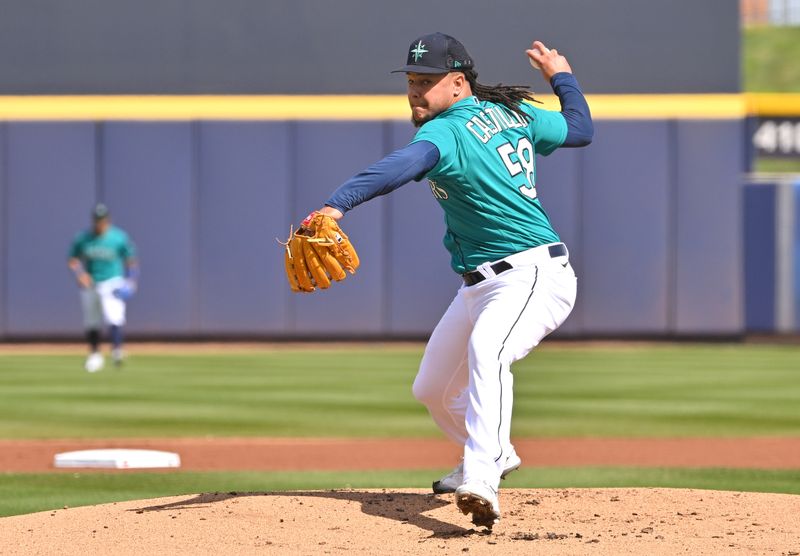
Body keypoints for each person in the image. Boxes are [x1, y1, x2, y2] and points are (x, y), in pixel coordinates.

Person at [297, 32, 593, 528]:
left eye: (427, 82)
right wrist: (561, 77)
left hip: (533, 273)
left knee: (488, 353)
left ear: (457, 84)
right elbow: (579, 129)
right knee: (432, 388)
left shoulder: (448, 131)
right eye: (412, 81)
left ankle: (481, 478)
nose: (416, 91)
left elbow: (402, 165)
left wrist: (336, 203)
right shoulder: (514, 114)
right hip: (479, 284)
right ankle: (495, 451)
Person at [67, 203, 139, 372]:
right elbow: (73, 259)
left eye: (102, 220)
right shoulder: (83, 238)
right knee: (92, 320)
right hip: (91, 283)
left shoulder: (118, 237)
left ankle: (117, 351)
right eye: (97, 220)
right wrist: (80, 274)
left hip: (112, 282)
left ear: (108, 220)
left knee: (114, 317)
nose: (100, 223)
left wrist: (131, 281)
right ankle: (95, 355)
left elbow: (131, 259)